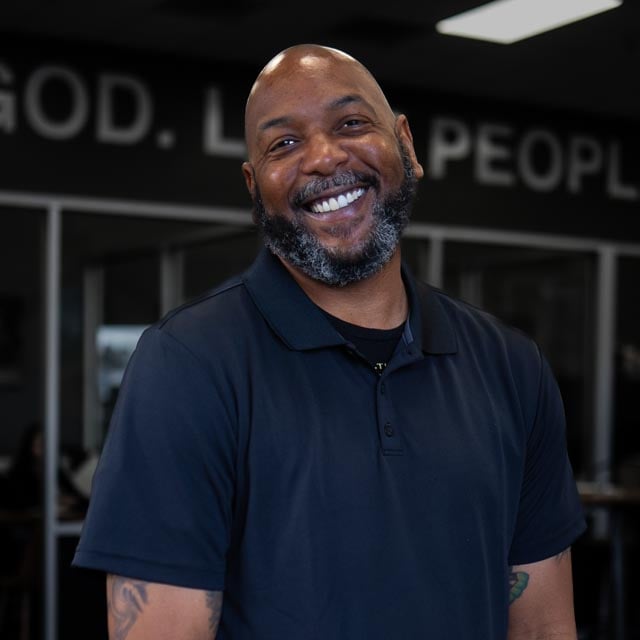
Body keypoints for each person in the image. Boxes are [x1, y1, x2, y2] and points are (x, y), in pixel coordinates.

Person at [72, 44, 587, 639]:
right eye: (284, 143)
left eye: (351, 123)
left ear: (406, 145)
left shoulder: (511, 367)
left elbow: (543, 627)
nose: (323, 157)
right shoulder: (187, 365)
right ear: (254, 186)